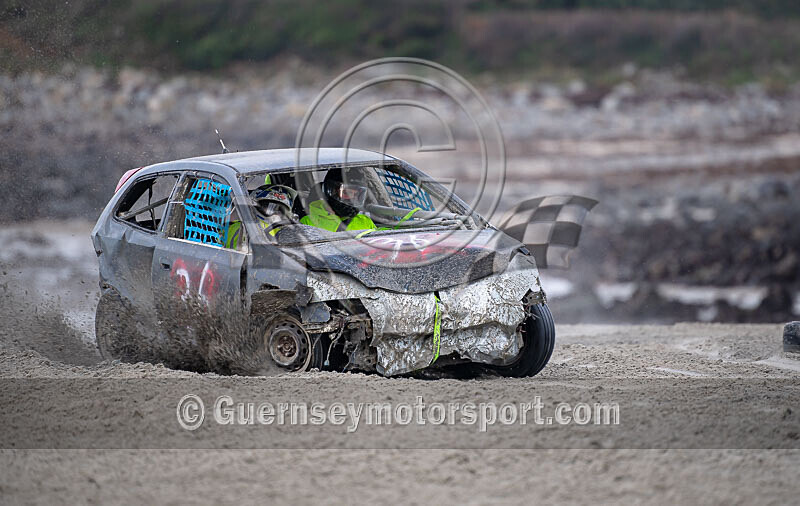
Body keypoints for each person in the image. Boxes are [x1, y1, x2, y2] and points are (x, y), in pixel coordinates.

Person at [300, 169, 376, 232]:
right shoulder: (308, 223)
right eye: (346, 193)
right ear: (331, 192)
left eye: (357, 195)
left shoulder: (365, 221)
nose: (352, 199)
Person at [225, 184, 297, 249]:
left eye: (280, 210)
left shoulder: (285, 232)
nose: (274, 213)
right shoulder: (242, 227)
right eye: (267, 206)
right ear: (253, 205)